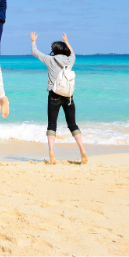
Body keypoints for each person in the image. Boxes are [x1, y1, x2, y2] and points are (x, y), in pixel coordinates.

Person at [30, 32, 88, 165]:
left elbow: (35, 52)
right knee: (72, 124)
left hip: (54, 95)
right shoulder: (70, 60)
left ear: (54, 51)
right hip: (68, 95)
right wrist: (67, 41)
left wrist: (33, 40)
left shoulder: (50, 60)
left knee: (52, 125)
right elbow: (73, 53)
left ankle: (51, 152)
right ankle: (82, 150)